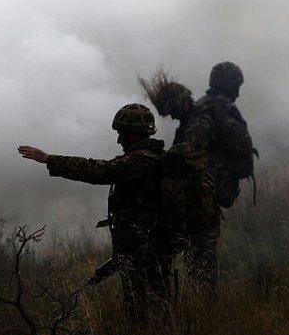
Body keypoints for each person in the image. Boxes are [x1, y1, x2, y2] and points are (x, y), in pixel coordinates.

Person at [18, 103, 180, 318]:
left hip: (143, 249)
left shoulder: (139, 162)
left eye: (122, 133)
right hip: (149, 246)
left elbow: (97, 171)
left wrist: (50, 159)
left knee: (145, 310)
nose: (119, 140)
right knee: (155, 304)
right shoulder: (156, 157)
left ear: (133, 134)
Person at [141, 63, 255, 291]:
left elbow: (189, 157)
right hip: (201, 199)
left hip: (199, 200)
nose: (238, 92)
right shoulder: (210, 111)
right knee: (201, 262)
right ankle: (201, 309)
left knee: (200, 264)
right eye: (236, 86)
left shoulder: (203, 114)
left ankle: (202, 312)